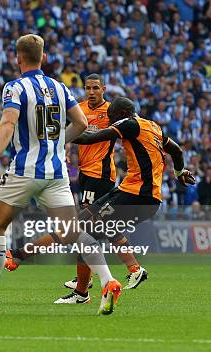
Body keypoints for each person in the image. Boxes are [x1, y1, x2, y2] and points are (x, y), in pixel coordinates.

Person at [0, 34, 121, 315]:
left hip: (24, 169)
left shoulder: (15, 87)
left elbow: (8, 123)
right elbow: (81, 123)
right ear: (44, 57)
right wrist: (59, 143)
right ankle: (107, 280)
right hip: (56, 172)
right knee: (72, 231)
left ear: (18, 58)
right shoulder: (59, 87)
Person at [6, 97, 196, 305]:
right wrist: (179, 172)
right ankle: (100, 283)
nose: (111, 123)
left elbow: (91, 137)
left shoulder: (129, 123)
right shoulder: (153, 126)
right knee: (85, 232)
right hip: (142, 198)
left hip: (134, 196)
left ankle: (19, 255)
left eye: (112, 119)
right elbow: (176, 149)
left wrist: (56, 135)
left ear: (121, 114)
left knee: (77, 230)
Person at [58, 74, 147, 305]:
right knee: (100, 227)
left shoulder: (111, 112)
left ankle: (84, 287)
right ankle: (130, 269)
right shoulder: (79, 108)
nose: (91, 92)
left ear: (103, 89)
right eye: (87, 88)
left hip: (102, 174)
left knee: (87, 228)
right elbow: (72, 130)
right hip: (85, 173)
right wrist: (65, 148)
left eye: (95, 88)